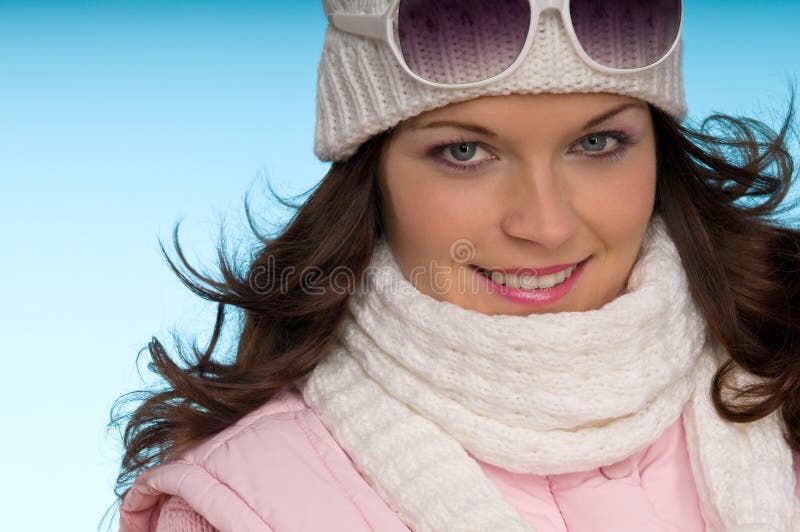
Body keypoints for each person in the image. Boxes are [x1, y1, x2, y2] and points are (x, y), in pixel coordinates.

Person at [113, 1, 800, 530]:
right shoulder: (240, 509)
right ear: (372, 169)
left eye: (597, 141)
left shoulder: (786, 384)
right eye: (465, 153)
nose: (545, 224)